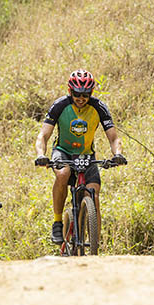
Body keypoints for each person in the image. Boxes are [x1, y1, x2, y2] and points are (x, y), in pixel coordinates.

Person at [34, 69, 127, 244]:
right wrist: (41, 155)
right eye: (77, 94)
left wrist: (118, 154)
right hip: (63, 151)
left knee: (94, 195)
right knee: (62, 174)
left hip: (87, 155)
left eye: (86, 94)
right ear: (70, 91)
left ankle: (94, 245)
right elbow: (43, 135)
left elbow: (113, 137)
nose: (81, 98)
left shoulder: (99, 107)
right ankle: (57, 221)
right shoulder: (60, 105)